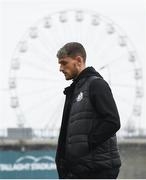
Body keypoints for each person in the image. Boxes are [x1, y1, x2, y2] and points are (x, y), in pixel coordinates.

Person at [55, 42, 121, 179]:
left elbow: (112, 121)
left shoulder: (96, 85)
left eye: (64, 63)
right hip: (77, 171)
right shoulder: (73, 90)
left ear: (78, 60)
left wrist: (87, 143)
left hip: (96, 171)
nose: (60, 68)